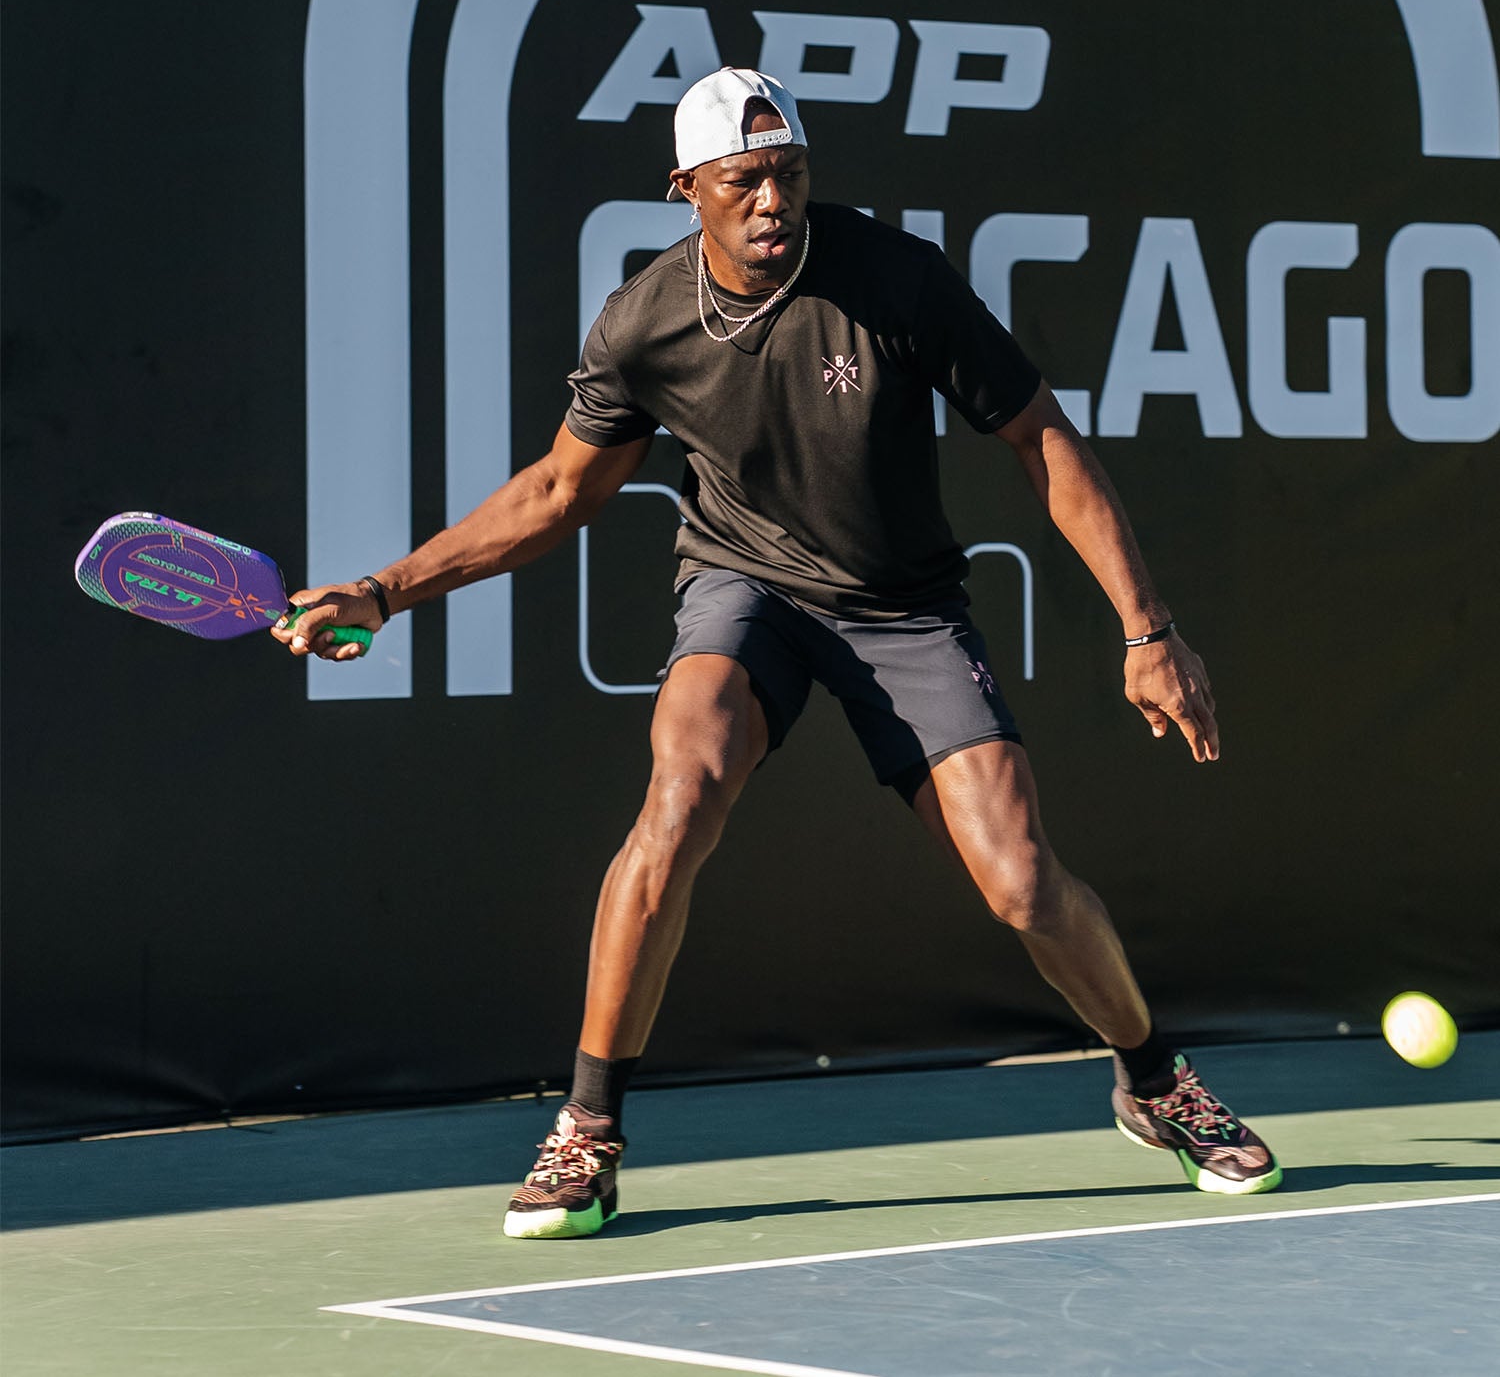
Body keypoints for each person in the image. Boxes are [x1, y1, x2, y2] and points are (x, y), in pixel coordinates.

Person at [275, 66, 1281, 1240]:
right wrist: (387, 591)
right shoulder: (646, 320)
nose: (772, 202)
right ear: (688, 190)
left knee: (1020, 880)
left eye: (789, 175)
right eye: (744, 181)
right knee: (680, 796)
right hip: (744, 590)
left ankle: (1156, 1081)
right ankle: (586, 1133)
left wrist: (1147, 631)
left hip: (903, 607)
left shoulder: (894, 278)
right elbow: (556, 491)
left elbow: (1039, 438)